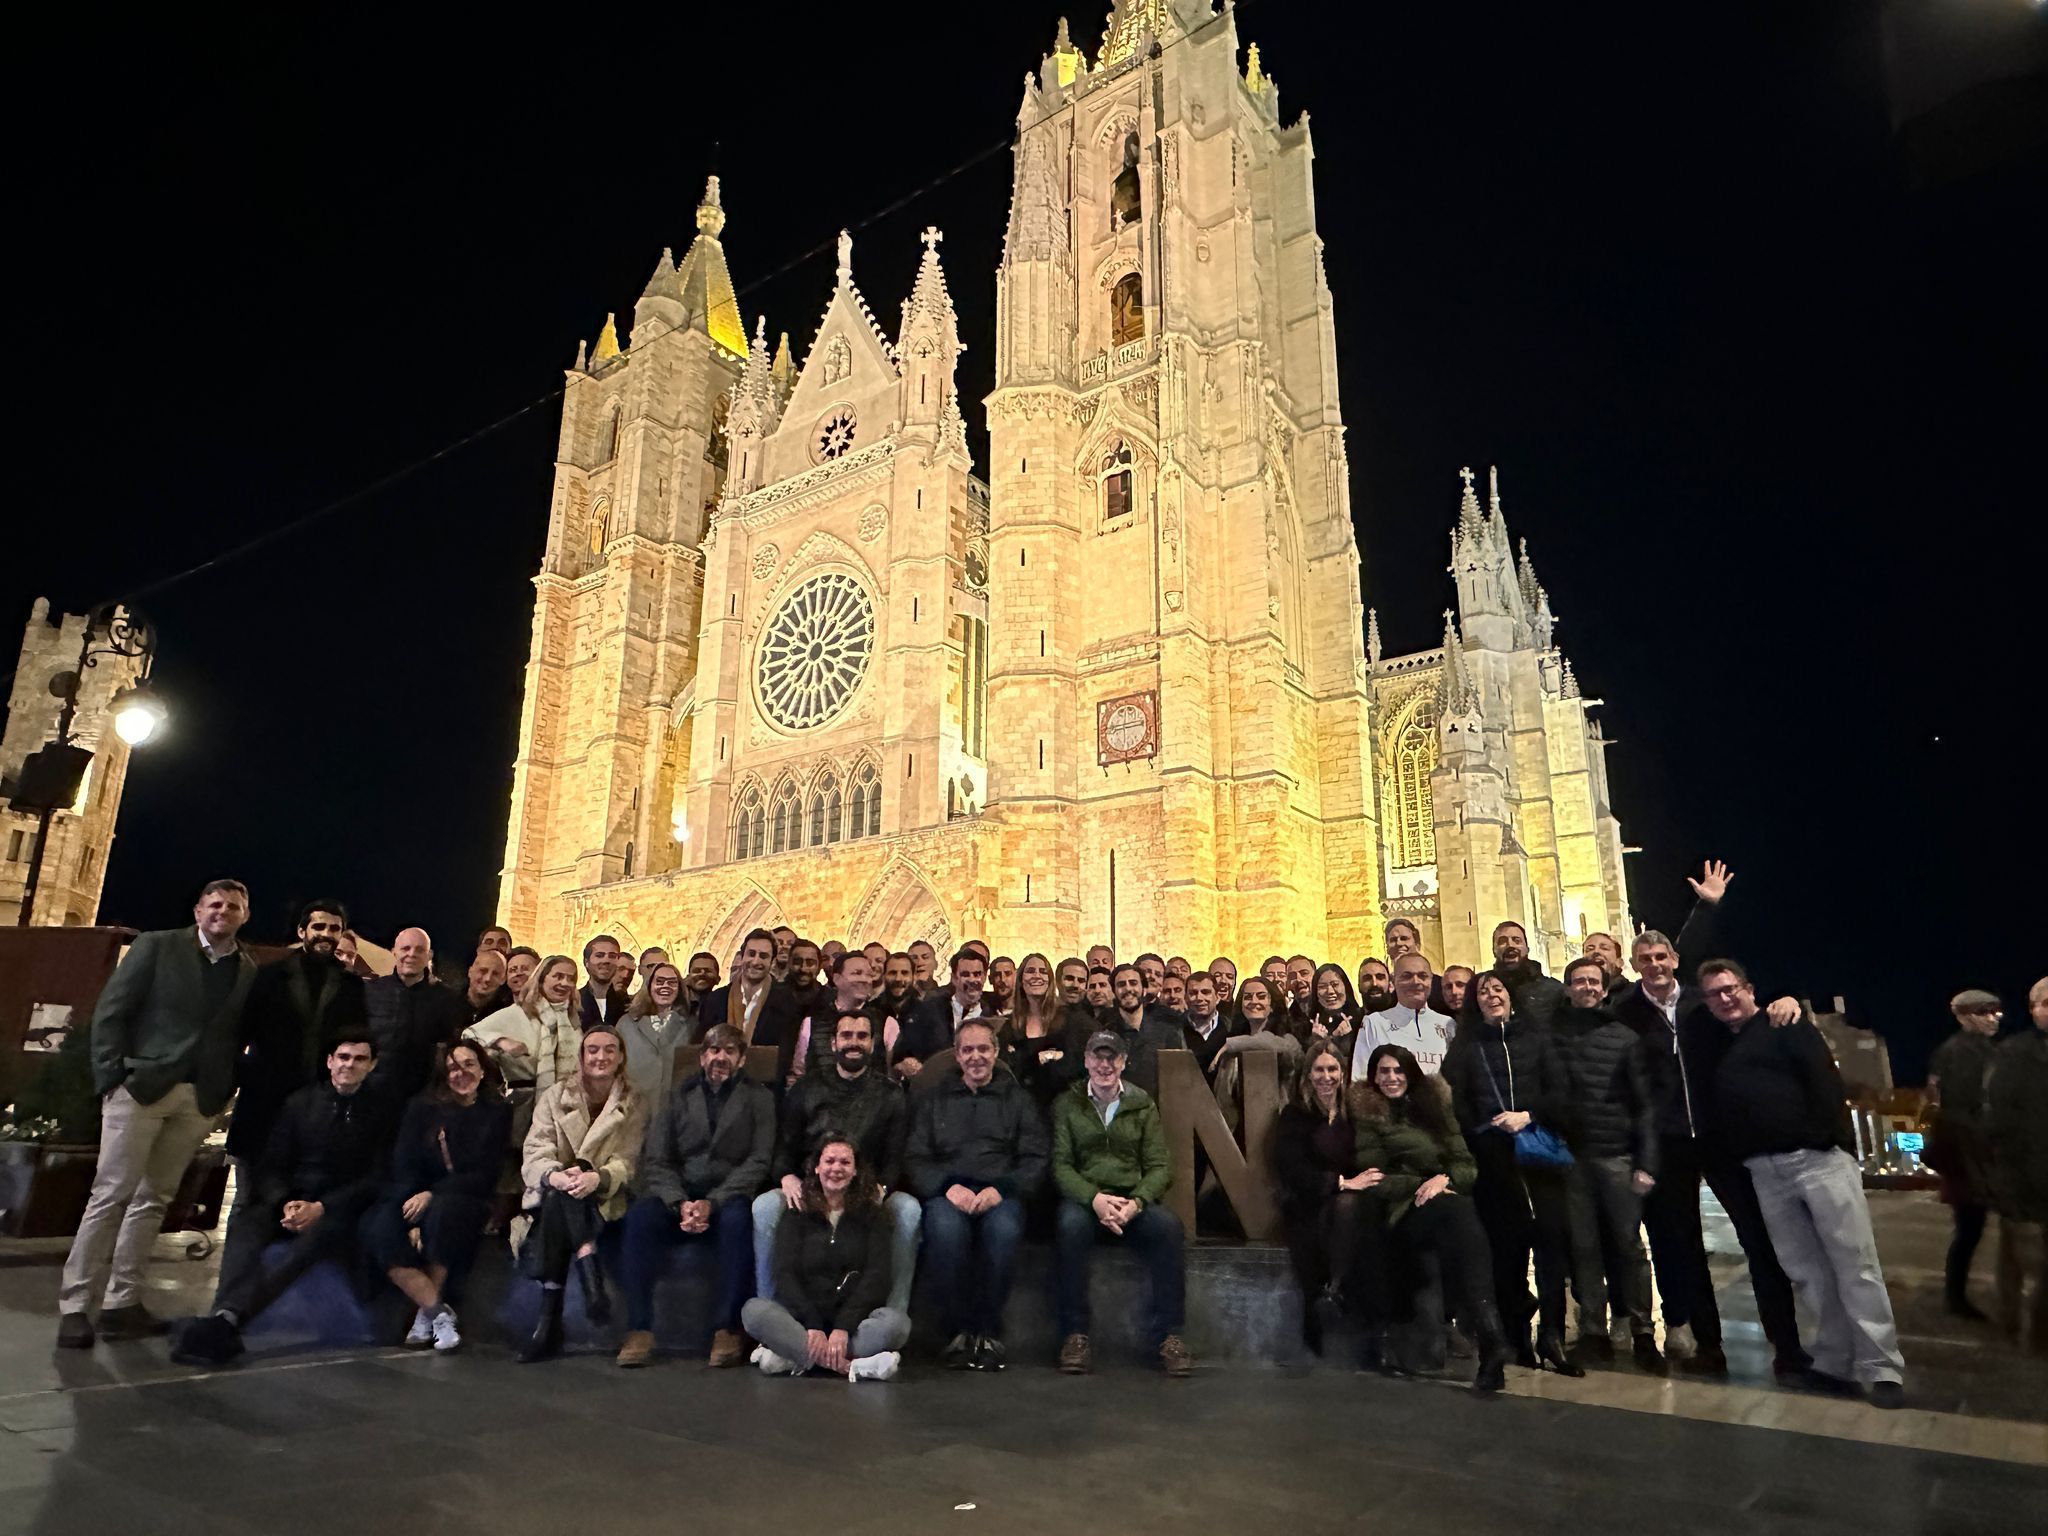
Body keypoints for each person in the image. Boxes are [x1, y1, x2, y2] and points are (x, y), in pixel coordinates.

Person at [58, 879, 260, 1349]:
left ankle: (121, 1303)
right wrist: (112, 1077)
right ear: (197, 909)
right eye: (214, 904)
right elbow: (112, 1012)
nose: (222, 912)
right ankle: (75, 1304)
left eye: (233, 906)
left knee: (154, 1200)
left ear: (244, 915)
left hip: (197, 1098)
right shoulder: (156, 947)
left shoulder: (247, 968)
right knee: (110, 1196)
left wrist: (222, 1089)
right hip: (141, 1088)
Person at [1698, 960, 1905, 1407]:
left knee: (1855, 1263)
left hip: (1816, 1161)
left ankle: (1881, 1366)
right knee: (1808, 1272)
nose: (1725, 999)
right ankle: (1833, 1361)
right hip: (1764, 1171)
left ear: (1750, 989)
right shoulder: (1720, 1041)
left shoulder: (1784, 1023)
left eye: (1730, 989)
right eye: (1715, 994)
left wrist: (1826, 1142)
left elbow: (1824, 1084)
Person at [1625, 929, 1809, 1380]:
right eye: (1644, 958)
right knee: (1685, 1249)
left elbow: (1742, 1011)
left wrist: (1787, 1002)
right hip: (1669, 1143)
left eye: (1661, 956)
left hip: (1719, 1136)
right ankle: (1711, 1345)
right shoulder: (1625, 1011)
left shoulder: (1699, 1005)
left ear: (1673, 959)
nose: (1654, 964)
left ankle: (1786, 1346)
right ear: (1634, 966)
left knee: (1758, 1241)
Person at [173, 1032, 397, 1366]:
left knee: (303, 1249)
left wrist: (322, 1208)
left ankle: (229, 1321)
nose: (349, 1065)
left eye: (360, 1059)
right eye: (344, 1057)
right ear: (330, 1061)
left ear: (372, 1065)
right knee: (248, 1227)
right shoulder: (300, 1103)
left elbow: (377, 1177)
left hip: (340, 1209)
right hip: (292, 1199)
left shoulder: (381, 1112)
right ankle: (223, 1315)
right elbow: (272, 1164)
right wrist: (285, 1202)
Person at [1440, 970, 1582, 1375]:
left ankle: (1552, 1333)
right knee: (1507, 1247)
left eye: (1497, 989)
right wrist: (1487, 1126)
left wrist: (1529, 1115)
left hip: (1540, 1151)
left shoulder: (1536, 1039)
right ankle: (1516, 1333)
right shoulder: (1466, 1047)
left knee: (1552, 1239)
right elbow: (1458, 1103)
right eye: (1483, 992)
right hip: (1494, 1157)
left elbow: (1560, 1091)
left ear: (1511, 997)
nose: (1491, 996)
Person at [1352, 1043, 1514, 1393]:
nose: (1391, 1078)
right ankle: (1491, 1337)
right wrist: (1423, 1185)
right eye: (1384, 1071)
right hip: (1401, 1210)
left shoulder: (1436, 1106)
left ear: (1411, 1073)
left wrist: (1446, 1180)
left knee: (1464, 1221)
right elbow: (1375, 1176)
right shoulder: (1368, 1113)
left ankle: (1490, 1342)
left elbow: (1465, 1164)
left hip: (1444, 1201)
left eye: (1398, 1071)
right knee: (1462, 1218)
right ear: (1373, 1075)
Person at [616, 1024, 774, 1369]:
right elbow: (657, 1159)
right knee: (640, 1217)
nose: (721, 1057)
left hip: (728, 1194)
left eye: (730, 1051)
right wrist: (680, 1202)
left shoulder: (759, 1098)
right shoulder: (677, 1096)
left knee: (738, 1221)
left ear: (742, 1059)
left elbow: (760, 1159)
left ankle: (727, 1328)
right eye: (714, 1050)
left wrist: (712, 1202)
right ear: (702, 1056)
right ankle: (639, 1327)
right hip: (681, 1194)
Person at [907, 1021, 1049, 1369]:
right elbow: (914, 1157)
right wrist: (945, 1187)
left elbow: (1035, 1156)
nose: (976, 1057)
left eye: (983, 1049)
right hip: (948, 1192)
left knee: (1003, 1235)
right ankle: (957, 1334)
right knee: (944, 1235)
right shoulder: (935, 1100)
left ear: (996, 1052)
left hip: (1000, 1193)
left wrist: (1002, 1190)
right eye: (967, 1050)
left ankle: (988, 1332)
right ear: (957, 1055)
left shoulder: (1018, 1101)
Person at [755, 1012, 919, 1312]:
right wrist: (786, 1177)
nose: (853, 1043)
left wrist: (880, 1187)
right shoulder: (806, 1088)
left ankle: (892, 1317)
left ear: (873, 1044)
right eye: (846, 1036)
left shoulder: (891, 1095)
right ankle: (772, 1315)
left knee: (908, 1210)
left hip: (866, 1189)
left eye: (861, 1036)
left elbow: (896, 1157)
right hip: (811, 1186)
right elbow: (784, 1147)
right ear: (833, 1043)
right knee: (764, 1207)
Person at [1051, 1031, 1190, 1376]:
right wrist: (1094, 1199)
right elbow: (1061, 1165)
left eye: (1112, 1057)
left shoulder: (1142, 1103)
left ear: (1124, 1062)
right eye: (1097, 1057)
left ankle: (1170, 1336)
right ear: (1085, 1061)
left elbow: (1160, 1166)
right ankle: (1074, 1335)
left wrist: (1138, 1202)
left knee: (1169, 1228)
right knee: (1068, 1226)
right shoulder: (1067, 1104)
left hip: (1131, 1201)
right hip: (1087, 1201)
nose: (1104, 1065)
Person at [361, 1041, 512, 1353]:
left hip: (465, 1195)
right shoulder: (422, 1108)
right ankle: (435, 1309)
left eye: (469, 1065)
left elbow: (485, 1173)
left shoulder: (496, 1112)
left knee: (444, 1214)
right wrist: (414, 1201)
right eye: (453, 1067)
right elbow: (405, 1161)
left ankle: (425, 1314)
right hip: (414, 1190)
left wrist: (433, 1194)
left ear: (483, 1070)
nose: (461, 1073)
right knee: (378, 1226)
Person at [1552, 957, 1663, 1372]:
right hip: (1572, 1159)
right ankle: (1594, 1331)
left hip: (1617, 1156)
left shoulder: (1624, 1037)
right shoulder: (1554, 1036)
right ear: (1567, 989)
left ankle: (1643, 1332)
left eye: (1593, 982)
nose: (1587, 988)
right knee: (1583, 1249)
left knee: (1629, 1247)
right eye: (1578, 982)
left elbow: (1645, 1105)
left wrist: (1646, 1162)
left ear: (1604, 987)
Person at [516, 1024, 648, 1362]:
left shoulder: (634, 1102)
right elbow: (536, 1150)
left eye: (609, 1050)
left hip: (606, 1196)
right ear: (581, 1056)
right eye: (593, 1050)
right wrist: (555, 1176)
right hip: (555, 1189)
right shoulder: (555, 1097)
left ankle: (547, 1325)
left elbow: (629, 1160)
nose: (600, 1057)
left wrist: (597, 1177)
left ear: (621, 1058)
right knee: (561, 1197)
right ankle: (587, 1262)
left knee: (562, 1203)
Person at [227, 898, 366, 1195]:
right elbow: (239, 1034)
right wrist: (245, 1076)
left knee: (302, 1192)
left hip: (318, 1104)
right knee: (248, 1197)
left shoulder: (352, 987)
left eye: (334, 928)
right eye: (319, 926)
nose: (326, 934)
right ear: (302, 931)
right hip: (265, 1100)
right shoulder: (268, 976)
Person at [741, 1138, 911, 1379]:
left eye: (845, 1162)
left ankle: (794, 1359)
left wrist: (843, 1326)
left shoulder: (873, 1216)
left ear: (855, 1171)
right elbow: (785, 1273)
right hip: (804, 1325)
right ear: (817, 1167)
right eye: (829, 1161)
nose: (836, 1168)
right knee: (753, 1311)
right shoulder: (797, 1212)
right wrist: (813, 1325)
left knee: (897, 1324)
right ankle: (851, 1367)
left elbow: (877, 1275)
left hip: (854, 1327)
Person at [1273, 1039, 1376, 1357]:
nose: (1326, 1076)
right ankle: (1328, 1295)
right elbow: (1291, 1167)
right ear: (1307, 1075)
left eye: (1332, 1069)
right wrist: (1341, 1182)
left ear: (1343, 1073)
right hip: (1309, 1200)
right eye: (1319, 1069)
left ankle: (1334, 1289)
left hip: (1353, 1202)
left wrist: (1359, 1182)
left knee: (1351, 1209)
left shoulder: (1357, 1113)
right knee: (1341, 1208)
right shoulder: (1294, 1114)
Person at [1926, 988, 2003, 1320]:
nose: (1994, 1018)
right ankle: (1956, 1299)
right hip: (1969, 1157)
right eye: (1985, 1012)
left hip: (1966, 1156)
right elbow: (1965, 1111)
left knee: (1970, 1229)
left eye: (1996, 1011)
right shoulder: (1966, 1053)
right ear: (1965, 1015)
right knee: (1970, 1228)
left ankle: (1957, 1296)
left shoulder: (1957, 1051)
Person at [1988, 978, 2048, 1352]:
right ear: (2034, 1009)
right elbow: (1999, 1125)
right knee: (2032, 1266)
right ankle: (2032, 1336)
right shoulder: (2013, 1054)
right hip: (2027, 1182)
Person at [364, 927, 470, 1102]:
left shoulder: (446, 999)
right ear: (394, 952)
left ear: (429, 955)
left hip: (422, 1098)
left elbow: (450, 1045)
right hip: (374, 1094)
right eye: (405, 948)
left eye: (420, 950)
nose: (412, 954)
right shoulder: (371, 991)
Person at [467, 953, 581, 1090]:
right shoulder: (516, 1013)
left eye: (571, 979)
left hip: (565, 1100)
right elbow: (469, 1035)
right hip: (521, 1102)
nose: (565, 983)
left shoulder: (572, 1020)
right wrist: (500, 1041)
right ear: (541, 979)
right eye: (558, 976)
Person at [1081, 963, 1185, 1096]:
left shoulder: (1167, 1033)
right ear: (1113, 991)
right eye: (1121, 984)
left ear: (1144, 989)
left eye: (1133, 983)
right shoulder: (1101, 1033)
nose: (1128, 988)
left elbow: (1176, 1082)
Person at [1355, 952, 1454, 1078]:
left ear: (1431, 981)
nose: (1416, 982)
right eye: (1407, 976)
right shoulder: (1373, 1023)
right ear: (1394, 982)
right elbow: (1360, 1080)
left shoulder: (1448, 1025)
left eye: (1423, 976)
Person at [895, 947, 991, 1077]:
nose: (972, 980)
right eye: (965, 974)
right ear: (954, 978)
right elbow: (901, 1056)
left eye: (977, 974)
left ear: (984, 977)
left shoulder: (992, 1015)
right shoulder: (928, 1011)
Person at [701, 928, 796, 1051]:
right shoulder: (715, 1000)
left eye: (763, 956)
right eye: (751, 954)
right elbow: (702, 1046)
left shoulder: (787, 1001)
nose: (756, 961)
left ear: (772, 961)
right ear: (742, 957)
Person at [790, 950, 879, 1080]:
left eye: (869, 975)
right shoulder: (812, 1022)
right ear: (837, 979)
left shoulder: (884, 1022)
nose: (864, 980)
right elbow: (799, 1072)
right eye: (857, 973)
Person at [1006, 952, 1073, 1105]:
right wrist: (1053, 1055)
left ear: (1050, 980)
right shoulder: (1010, 1025)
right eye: (1030, 971)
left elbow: (1072, 1065)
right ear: (1021, 980)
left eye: (1043, 972)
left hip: (1059, 1105)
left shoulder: (1068, 1019)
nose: (1037, 976)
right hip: (1021, 1106)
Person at [619, 961, 690, 1099]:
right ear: (649, 986)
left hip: (673, 1108)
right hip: (634, 1107)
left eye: (672, 982)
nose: (665, 986)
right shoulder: (626, 1024)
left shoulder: (689, 1026)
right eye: (660, 981)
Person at [1488, 922, 1565, 1028]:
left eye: (1516, 940)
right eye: (1502, 941)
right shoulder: (1483, 993)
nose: (1510, 945)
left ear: (1527, 948)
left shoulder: (1553, 990)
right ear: (1494, 950)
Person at [1181, 970, 1232, 1075]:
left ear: (1217, 997)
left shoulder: (1231, 1029)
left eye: (1206, 992)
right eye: (1193, 993)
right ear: (1185, 998)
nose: (1199, 998)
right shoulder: (1174, 1029)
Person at [577, 934, 630, 1028]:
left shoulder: (629, 1005)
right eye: (599, 955)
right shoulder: (574, 1003)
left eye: (612, 956)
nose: (606, 960)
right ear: (586, 962)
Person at [1309, 963, 1364, 1049]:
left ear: (1346, 986)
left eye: (1335, 984)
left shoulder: (1362, 1020)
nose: (1330, 991)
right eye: (1322, 986)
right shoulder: (1308, 1025)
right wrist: (1317, 1042)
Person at [458, 948, 511, 1026]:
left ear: (503, 979)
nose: (488, 978)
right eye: (483, 971)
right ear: (470, 972)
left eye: (495, 974)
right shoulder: (446, 1005)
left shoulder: (506, 1016)